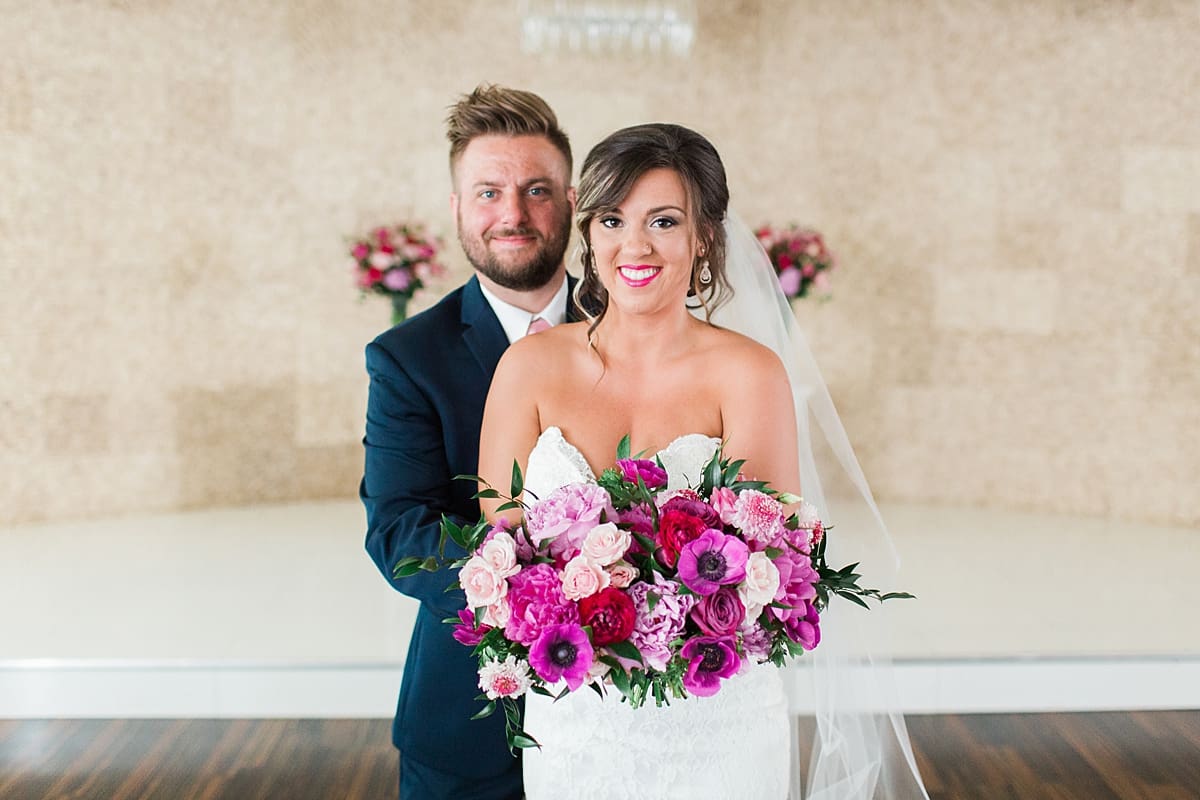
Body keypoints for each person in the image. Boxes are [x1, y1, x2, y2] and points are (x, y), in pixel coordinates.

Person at [478, 124, 930, 798]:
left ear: (704, 238)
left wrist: (665, 610)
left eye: (664, 221)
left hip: (717, 721)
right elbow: (502, 546)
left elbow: (779, 556)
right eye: (612, 219)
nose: (635, 245)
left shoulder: (749, 373)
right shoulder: (528, 368)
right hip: (578, 725)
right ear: (589, 232)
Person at [361, 84, 576, 800]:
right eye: (488, 192)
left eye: (536, 189)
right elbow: (400, 533)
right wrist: (550, 590)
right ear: (457, 209)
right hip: (467, 722)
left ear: (572, 199)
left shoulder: (640, 330)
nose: (512, 214)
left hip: (634, 712)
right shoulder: (406, 360)